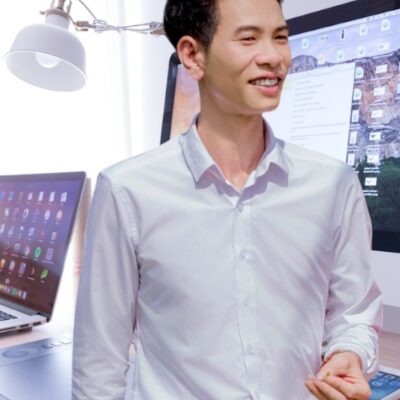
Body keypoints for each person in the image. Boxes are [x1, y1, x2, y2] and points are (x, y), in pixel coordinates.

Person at [72, 0, 383, 399]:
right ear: (192, 55)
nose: (273, 57)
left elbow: (354, 314)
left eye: (280, 37)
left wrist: (349, 352)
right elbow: (98, 366)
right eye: (249, 39)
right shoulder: (127, 191)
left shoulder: (333, 185)